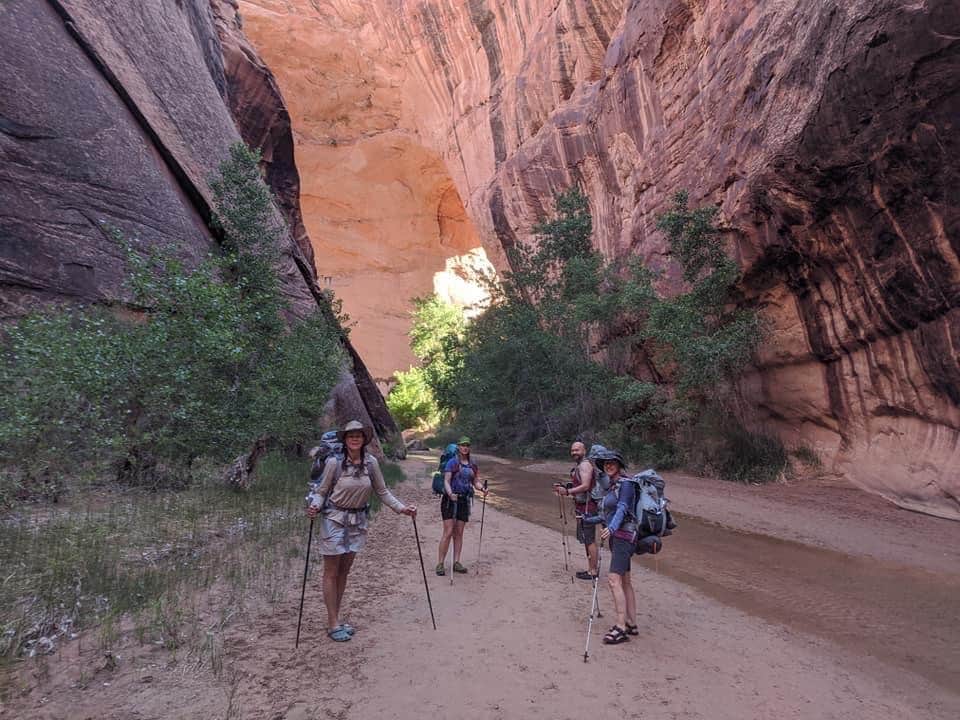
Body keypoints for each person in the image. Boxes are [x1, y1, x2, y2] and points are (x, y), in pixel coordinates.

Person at [307, 420, 417, 642]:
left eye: (358, 435)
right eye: (350, 436)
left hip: (358, 521)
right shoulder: (334, 463)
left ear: (364, 439)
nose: (355, 438)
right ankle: (332, 623)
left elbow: (383, 491)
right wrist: (315, 505)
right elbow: (322, 491)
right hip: (334, 519)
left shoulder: (371, 463)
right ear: (345, 440)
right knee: (331, 571)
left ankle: (335, 618)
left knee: (344, 571)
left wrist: (402, 508)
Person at [584, 448, 638, 645]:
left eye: (612, 462)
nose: (608, 465)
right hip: (619, 537)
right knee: (625, 580)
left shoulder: (626, 485)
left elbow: (623, 508)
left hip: (624, 537)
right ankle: (632, 623)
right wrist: (588, 520)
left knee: (613, 579)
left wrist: (612, 528)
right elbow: (608, 515)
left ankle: (620, 627)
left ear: (619, 465)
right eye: (605, 463)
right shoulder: (612, 486)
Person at [436, 436, 486, 575]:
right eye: (463, 445)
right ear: (458, 447)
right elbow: (447, 480)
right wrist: (451, 493)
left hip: (464, 501)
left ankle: (456, 562)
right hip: (450, 500)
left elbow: (475, 481)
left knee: (459, 533)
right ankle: (440, 563)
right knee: (448, 532)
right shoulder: (452, 462)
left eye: (467, 445)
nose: (465, 447)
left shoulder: (472, 464)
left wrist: (482, 489)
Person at [554, 441, 598, 580]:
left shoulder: (584, 465)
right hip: (582, 506)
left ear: (584, 451)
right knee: (586, 539)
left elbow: (585, 486)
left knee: (589, 539)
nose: (574, 453)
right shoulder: (581, 465)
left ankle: (593, 571)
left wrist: (567, 491)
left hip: (587, 507)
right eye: (572, 450)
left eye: (577, 450)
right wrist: (567, 487)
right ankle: (591, 568)